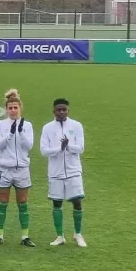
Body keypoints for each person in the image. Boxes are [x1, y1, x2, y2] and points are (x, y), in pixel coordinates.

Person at [0, 89, 36, 247]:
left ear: (20, 108)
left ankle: (25, 236)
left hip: (22, 169)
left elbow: (29, 146)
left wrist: (20, 132)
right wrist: (10, 134)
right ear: (6, 109)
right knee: (2, 202)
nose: (12, 110)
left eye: (15, 108)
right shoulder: (0, 125)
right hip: (4, 169)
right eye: (10, 108)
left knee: (23, 203)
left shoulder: (28, 125)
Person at [40, 98, 86, 247]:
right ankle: (60, 236)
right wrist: (59, 148)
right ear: (54, 111)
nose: (61, 112)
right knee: (57, 203)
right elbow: (44, 151)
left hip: (73, 170)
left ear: (68, 110)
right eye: (58, 110)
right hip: (56, 171)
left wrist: (69, 146)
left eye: (64, 109)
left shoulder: (76, 126)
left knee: (77, 202)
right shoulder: (47, 128)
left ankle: (78, 234)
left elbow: (80, 148)